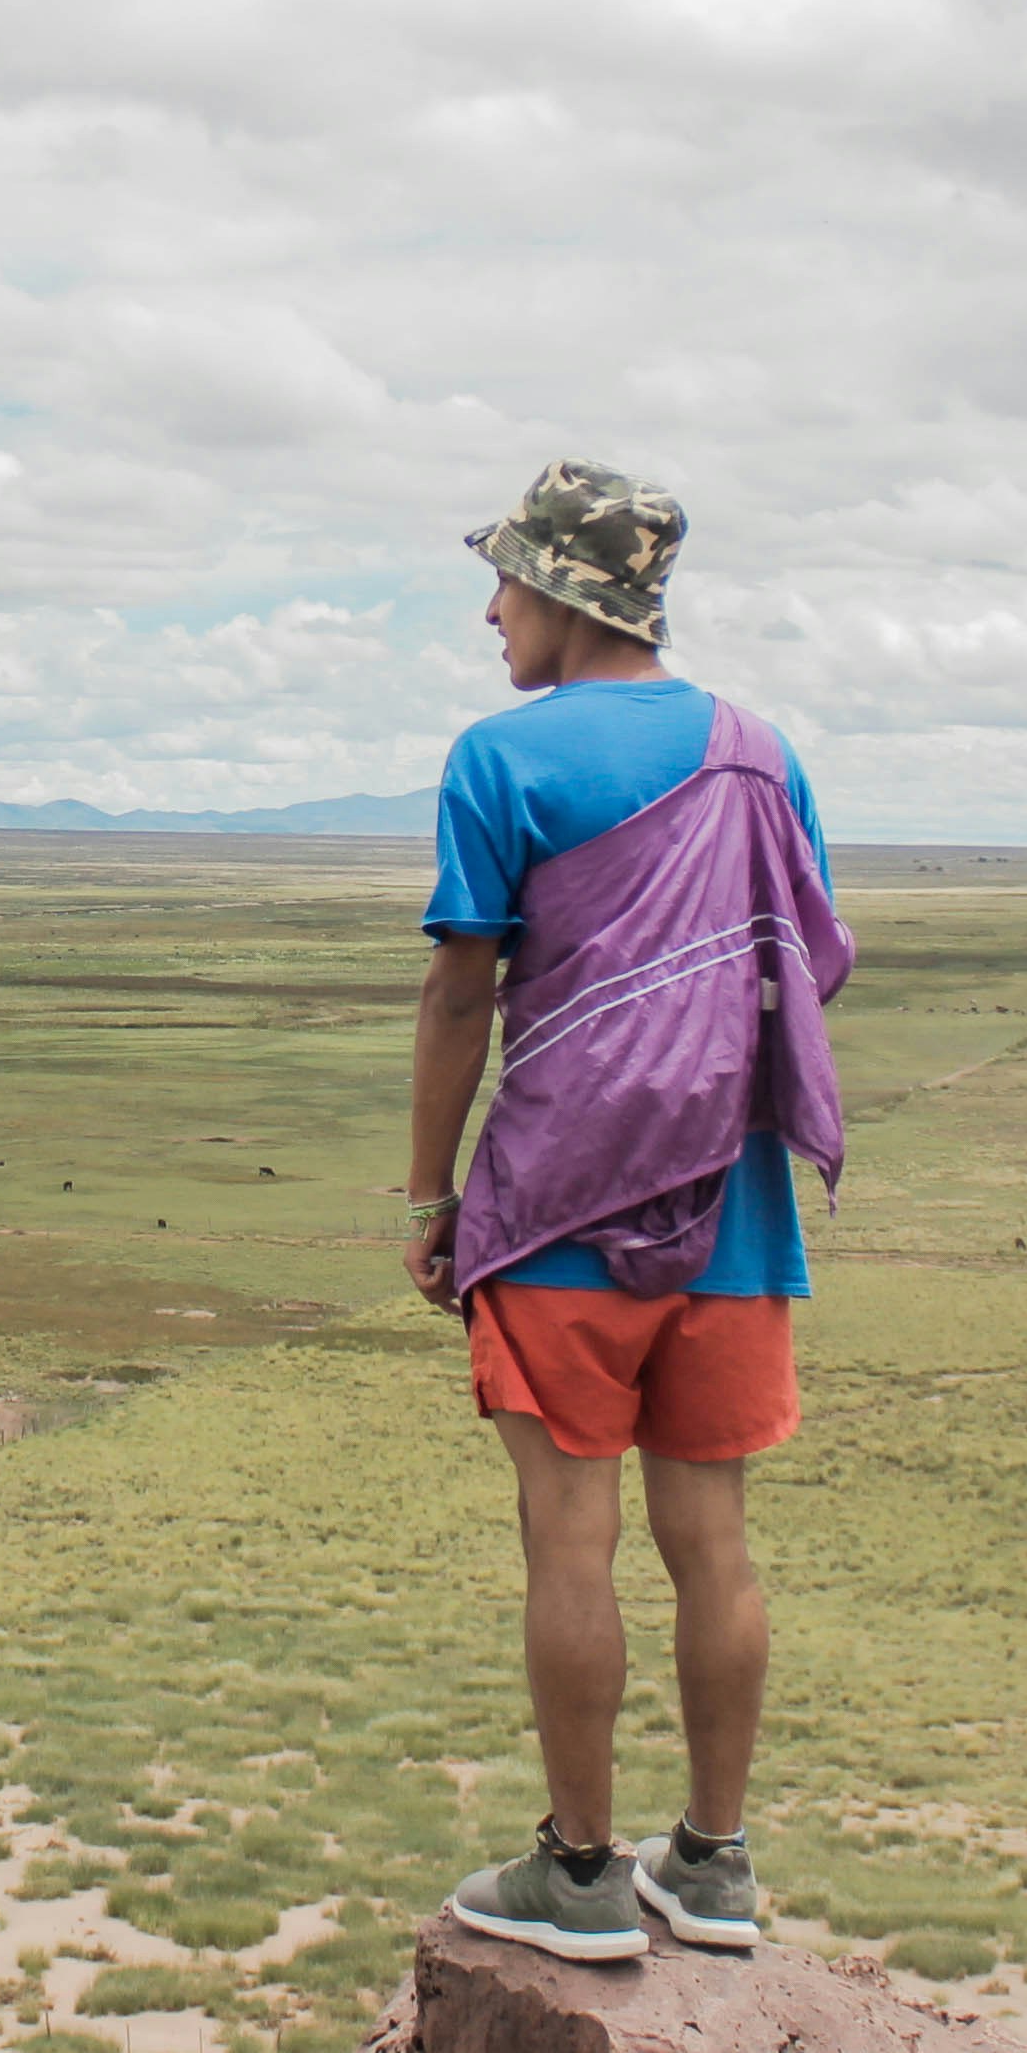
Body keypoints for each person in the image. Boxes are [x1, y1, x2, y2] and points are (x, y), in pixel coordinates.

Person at [402, 460, 852, 1964]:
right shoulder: (755, 751)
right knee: (711, 1541)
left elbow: (463, 984)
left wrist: (430, 1194)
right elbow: (801, 947)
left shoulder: (499, 760)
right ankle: (713, 1865)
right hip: (731, 1210)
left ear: (567, 594)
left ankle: (583, 1875)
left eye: (509, 581)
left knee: (569, 1544)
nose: (491, 608)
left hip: (557, 1217)